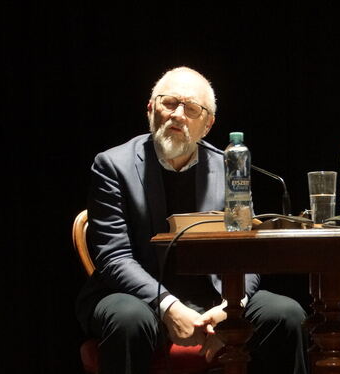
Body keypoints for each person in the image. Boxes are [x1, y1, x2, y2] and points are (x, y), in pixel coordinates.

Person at [76, 66, 309, 374]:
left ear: (208, 124)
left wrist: (231, 307)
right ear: (151, 109)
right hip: (135, 296)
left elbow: (248, 251)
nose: (178, 114)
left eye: (191, 108)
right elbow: (114, 258)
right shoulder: (112, 166)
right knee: (128, 320)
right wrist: (169, 307)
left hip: (216, 297)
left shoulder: (230, 167)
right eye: (169, 102)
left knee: (286, 314)